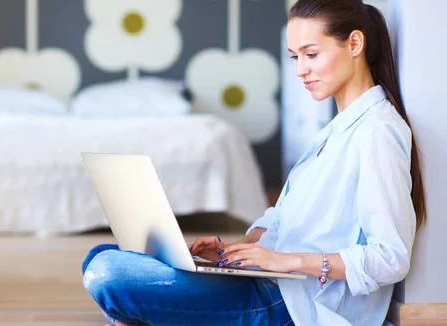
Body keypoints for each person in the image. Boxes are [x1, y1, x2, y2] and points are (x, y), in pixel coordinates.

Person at [81, 0, 426, 324]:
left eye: (311, 54)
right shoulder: (336, 130)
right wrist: (242, 251)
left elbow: (390, 257)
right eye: (295, 57)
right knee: (99, 254)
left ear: (354, 44)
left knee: (109, 271)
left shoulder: (377, 132)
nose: (301, 70)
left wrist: (287, 261)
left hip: (294, 307)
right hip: (272, 283)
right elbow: (283, 219)